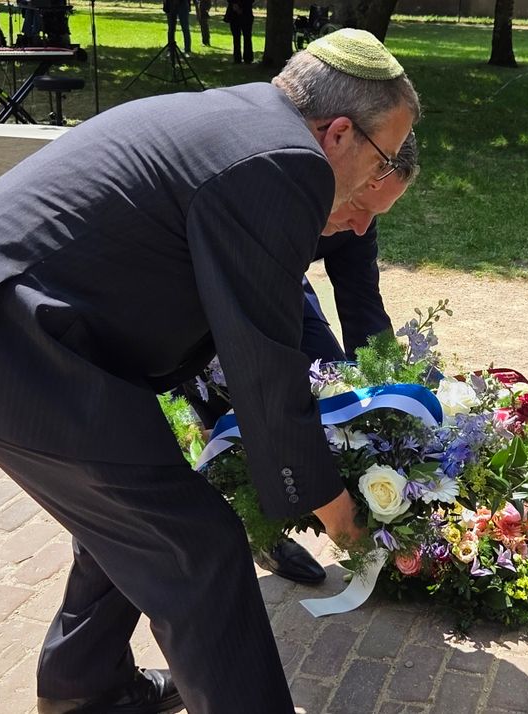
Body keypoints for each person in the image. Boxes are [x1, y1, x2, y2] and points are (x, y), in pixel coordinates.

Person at [0, 28, 418, 714]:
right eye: (382, 158)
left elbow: (249, 324)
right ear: (337, 133)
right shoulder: (286, 160)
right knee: (198, 549)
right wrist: (336, 510)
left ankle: (84, 691)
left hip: (8, 328)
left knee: (134, 520)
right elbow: (261, 361)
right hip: (13, 339)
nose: (373, 182)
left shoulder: (245, 124)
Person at [183, 134, 419, 585]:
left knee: (334, 401)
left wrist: (390, 390)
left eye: (379, 214)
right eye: (362, 208)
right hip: (200, 296)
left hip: (283, 289)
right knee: (235, 416)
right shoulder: (268, 196)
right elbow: (258, 368)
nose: (364, 228)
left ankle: (365, 523)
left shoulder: (357, 214)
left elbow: (362, 302)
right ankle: (258, 527)